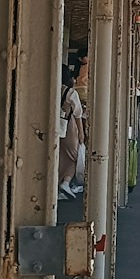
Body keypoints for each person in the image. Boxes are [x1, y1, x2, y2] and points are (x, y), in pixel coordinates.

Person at [58, 62, 85, 199]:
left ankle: (58, 184)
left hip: (52, 128)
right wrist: (81, 132)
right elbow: (78, 114)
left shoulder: (51, 88)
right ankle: (66, 182)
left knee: (59, 156)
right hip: (67, 128)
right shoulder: (70, 92)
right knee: (75, 158)